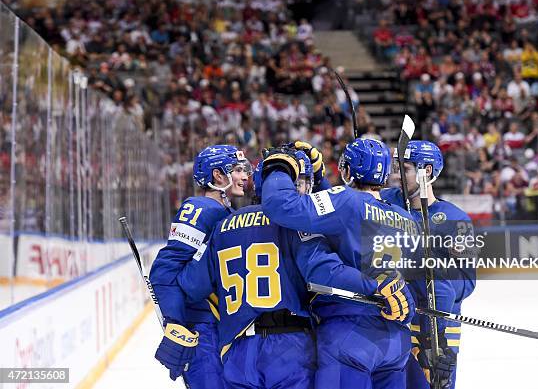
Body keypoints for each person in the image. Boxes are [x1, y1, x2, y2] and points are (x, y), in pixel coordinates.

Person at [173, 152, 402, 388]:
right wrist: (377, 287)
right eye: (300, 183)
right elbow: (323, 271)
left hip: (238, 352)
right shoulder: (295, 226)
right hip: (288, 348)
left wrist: (175, 322)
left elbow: (190, 286)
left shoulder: (222, 227)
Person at [260, 138, 420, 389]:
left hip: (350, 333)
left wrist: (279, 165)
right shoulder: (407, 219)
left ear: (346, 171)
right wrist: (320, 180)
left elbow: (281, 206)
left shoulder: (346, 201)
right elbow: (344, 219)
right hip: (396, 339)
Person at [150, 145, 252, 387]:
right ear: (218, 175)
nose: (245, 176)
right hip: (202, 328)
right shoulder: (199, 208)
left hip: (221, 325)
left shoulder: (227, 211)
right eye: (237, 170)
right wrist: (176, 322)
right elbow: (164, 270)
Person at [380, 140, 477, 389]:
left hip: (438, 329)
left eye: (406, 169)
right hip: (393, 320)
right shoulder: (384, 203)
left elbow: (467, 283)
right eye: (396, 167)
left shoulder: (455, 219)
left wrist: (436, 275)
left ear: (428, 172)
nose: (397, 175)